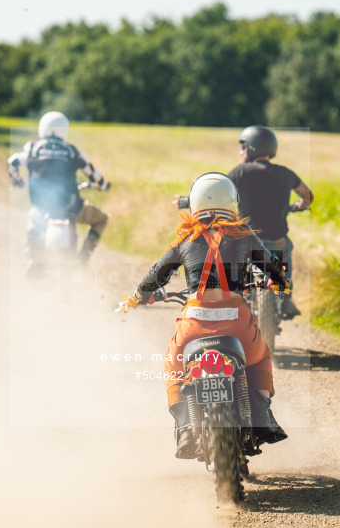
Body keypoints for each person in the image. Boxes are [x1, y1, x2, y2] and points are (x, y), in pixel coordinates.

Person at [122, 173, 289, 458]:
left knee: (173, 368)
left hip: (193, 327)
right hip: (237, 324)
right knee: (260, 357)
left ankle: (187, 427)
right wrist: (280, 282)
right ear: (233, 203)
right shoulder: (245, 236)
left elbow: (156, 274)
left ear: (195, 204)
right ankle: (261, 417)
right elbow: (273, 267)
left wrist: (139, 296)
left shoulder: (186, 239)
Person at [176, 126, 312, 318]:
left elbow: (215, 191)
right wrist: (299, 205)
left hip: (247, 239)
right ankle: (287, 298)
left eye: (243, 147)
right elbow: (308, 196)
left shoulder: (240, 172)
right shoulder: (286, 173)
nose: (241, 152)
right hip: (276, 242)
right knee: (284, 254)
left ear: (252, 148)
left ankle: (228, 296)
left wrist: (185, 200)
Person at [8, 111, 110, 265]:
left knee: (32, 221)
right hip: (72, 207)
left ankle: (31, 260)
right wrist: (102, 185)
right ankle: (82, 260)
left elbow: (12, 163)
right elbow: (92, 172)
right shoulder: (71, 150)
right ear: (65, 129)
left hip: (41, 207)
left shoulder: (33, 147)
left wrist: (18, 183)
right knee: (102, 219)